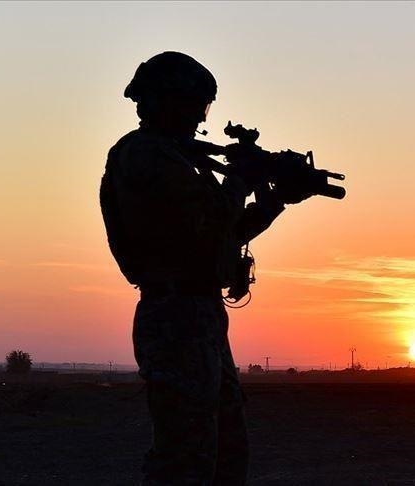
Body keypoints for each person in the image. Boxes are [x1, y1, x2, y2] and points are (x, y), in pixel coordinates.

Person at [99, 51, 298, 485]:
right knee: (184, 455)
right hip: (174, 316)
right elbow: (211, 217)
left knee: (226, 450)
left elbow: (221, 234)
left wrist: (275, 200)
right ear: (168, 101)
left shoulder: (178, 157)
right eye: (196, 104)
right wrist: (240, 179)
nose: (200, 117)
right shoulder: (144, 155)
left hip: (200, 314)